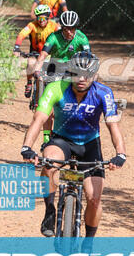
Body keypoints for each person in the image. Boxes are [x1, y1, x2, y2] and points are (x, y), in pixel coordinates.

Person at [21, 51, 126, 238]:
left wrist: (120, 154)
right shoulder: (55, 88)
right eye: (76, 73)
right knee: (49, 161)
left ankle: (88, 241)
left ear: (95, 75)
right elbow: (39, 119)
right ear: (69, 73)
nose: (81, 79)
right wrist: (27, 147)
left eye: (87, 75)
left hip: (89, 144)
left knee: (94, 199)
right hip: (62, 140)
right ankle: (50, 211)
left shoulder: (103, 93)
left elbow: (113, 126)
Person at [33, 10, 90, 144]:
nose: (69, 32)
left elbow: (88, 59)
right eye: (66, 29)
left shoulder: (81, 38)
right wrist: (37, 70)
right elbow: (42, 56)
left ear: (76, 27)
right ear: (62, 27)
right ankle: (47, 136)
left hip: (73, 69)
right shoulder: (53, 37)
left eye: (72, 29)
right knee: (49, 106)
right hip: (55, 68)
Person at [12, 4, 59, 97]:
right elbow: (22, 35)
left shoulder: (54, 25)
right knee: (30, 63)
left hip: (50, 53)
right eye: (39, 19)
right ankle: (29, 82)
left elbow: (62, 36)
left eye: (44, 18)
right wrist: (16, 47)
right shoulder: (32, 25)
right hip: (35, 52)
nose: (41, 21)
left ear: (48, 17)